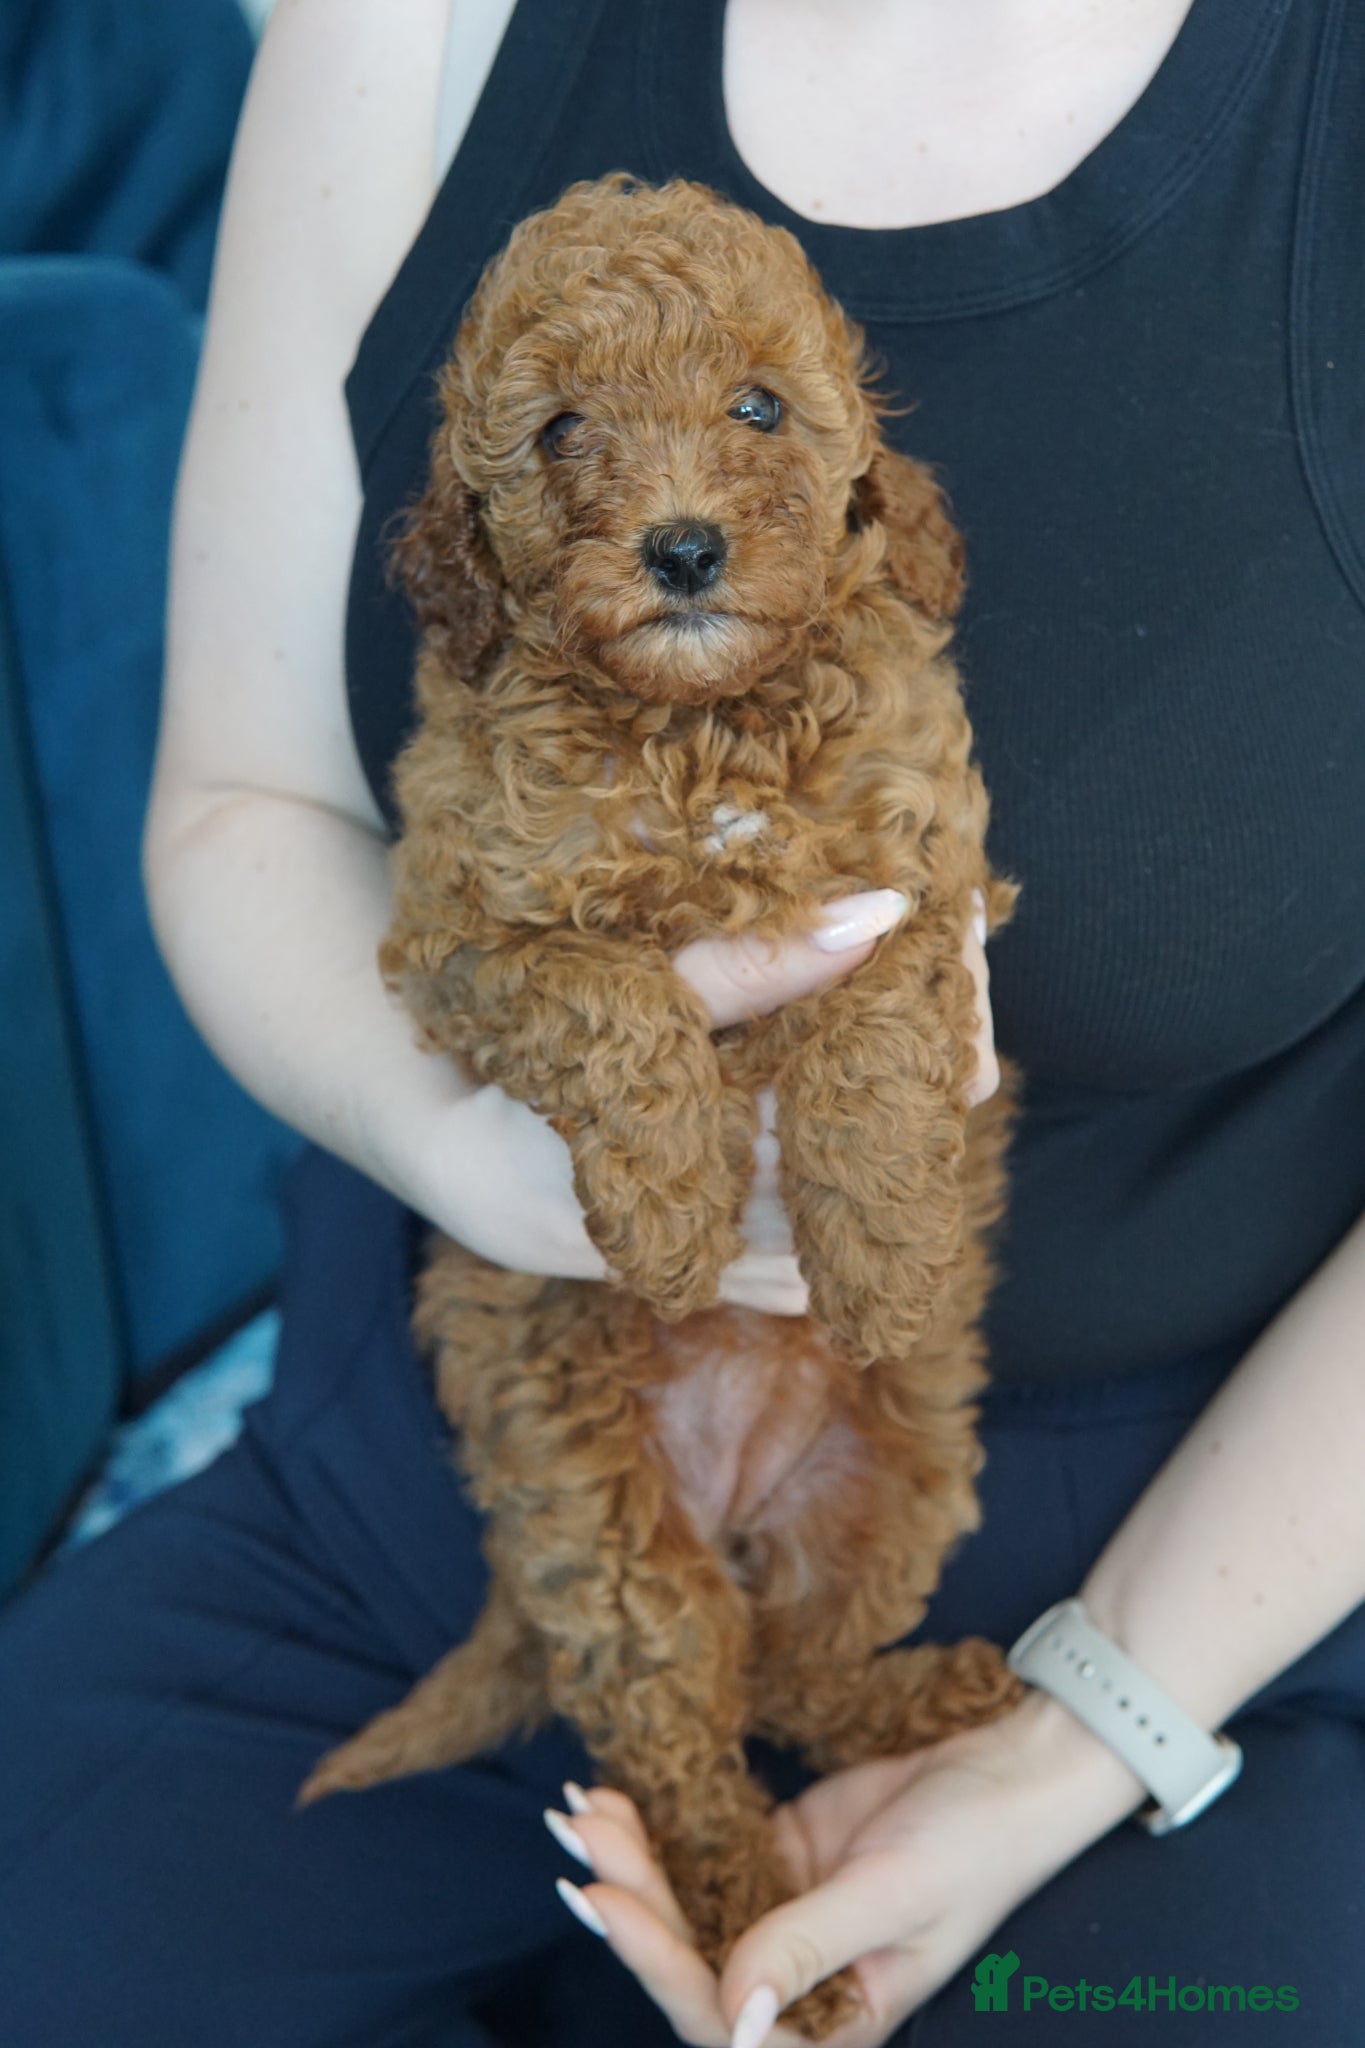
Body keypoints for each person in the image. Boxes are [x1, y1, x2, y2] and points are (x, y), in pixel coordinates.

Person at [1, 1, 1363, 2043]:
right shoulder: (410, 27)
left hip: (1163, 1561)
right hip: (460, 1450)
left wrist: (1092, 1728)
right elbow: (242, 802)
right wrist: (493, 1157)